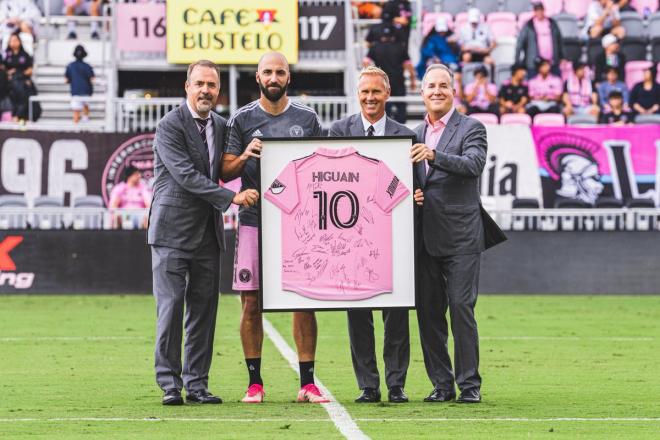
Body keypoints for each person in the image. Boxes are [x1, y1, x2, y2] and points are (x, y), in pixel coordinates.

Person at [148, 59, 259, 406]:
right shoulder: (169, 125)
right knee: (171, 308)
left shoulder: (223, 125)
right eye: (200, 84)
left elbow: (227, 166)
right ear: (187, 86)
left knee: (204, 312)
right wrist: (232, 197)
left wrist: (246, 157)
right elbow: (185, 175)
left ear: (218, 90)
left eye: (211, 85)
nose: (206, 90)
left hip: (208, 235)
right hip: (171, 233)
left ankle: (197, 384)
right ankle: (169, 384)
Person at [221, 52, 329, 405]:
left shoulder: (307, 119)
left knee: (303, 299)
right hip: (254, 220)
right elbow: (226, 171)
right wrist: (245, 157)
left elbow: (320, 169)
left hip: (298, 226)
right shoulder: (242, 119)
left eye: (279, 72)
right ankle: (255, 383)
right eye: (267, 71)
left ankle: (308, 384)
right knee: (251, 301)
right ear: (257, 77)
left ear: (288, 78)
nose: (273, 77)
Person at [409, 63, 505, 404]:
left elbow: (473, 166)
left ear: (454, 91)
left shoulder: (472, 128)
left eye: (443, 86)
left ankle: (469, 385)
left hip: (463, 235)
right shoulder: (413, 133)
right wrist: (414, 193)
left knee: (461, 308)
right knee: (428, 313)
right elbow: (412, 181)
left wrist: (435, 156)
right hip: (424, 236)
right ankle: (441, 384)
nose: (436, 91)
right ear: (421, 93)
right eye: (430, 86)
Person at [328, 66, 422, 404]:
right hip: (350, 240)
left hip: (392, 238)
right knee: (358, 315)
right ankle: (367, 385)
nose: (370, 98)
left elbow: (414, 184)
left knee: (396, 312)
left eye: (376, 92)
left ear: (388, 93)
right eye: (365, 92)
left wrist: (416, 195)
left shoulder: (406, 135)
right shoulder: (339, 131)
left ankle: (396, 384)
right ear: (358, 94)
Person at [364, 24, 416, 123]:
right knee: (401, 107)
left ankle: (386, 131)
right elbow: (409, 65)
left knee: (384, 107)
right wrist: (413, 80)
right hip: (398, 81)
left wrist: (371, 76)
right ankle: (402, 131)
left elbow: (366, 62)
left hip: (382, 83)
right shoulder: (400, 47)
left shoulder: (375, 47)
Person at [515, 0, 564, 78]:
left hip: (552, 62)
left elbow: (559, 41)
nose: (539, 12)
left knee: (555, 84)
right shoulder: (529, 25)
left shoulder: (552, 23)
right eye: (537, 10)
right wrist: (517, 62)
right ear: (534, 11)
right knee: (533, 85)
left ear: (544, 10)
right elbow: (520, 43)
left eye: (540, 10)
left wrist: (561, 57)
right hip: (534, 63)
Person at [3, 31, 33, 122]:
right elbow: (3, 68)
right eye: (12, 40)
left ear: (19, 41)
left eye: (16, 40)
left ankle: (19, 116)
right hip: (8, 83)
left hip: (21, 82)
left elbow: (30, 70)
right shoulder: (6, 55)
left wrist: (19, 73)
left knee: (23, 94)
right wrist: (8, 73)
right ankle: (11, 115)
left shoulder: (25, 54)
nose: (14, 42)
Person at [65, 44, 95, 124]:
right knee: (85, 110)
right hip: (86, 91)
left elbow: (66, 80)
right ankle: (85, 128)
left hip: (76, 91)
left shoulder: (70, 66)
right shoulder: (87, 66)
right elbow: (92, 79)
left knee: (76, 113)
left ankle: (76, 130)